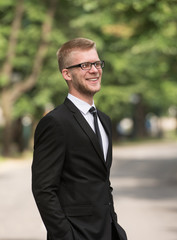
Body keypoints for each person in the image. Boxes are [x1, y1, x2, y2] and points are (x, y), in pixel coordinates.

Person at [32, 37, 127, 240]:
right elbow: (43, 189)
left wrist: (114, 226)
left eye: (97, 63)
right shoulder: (55, 123)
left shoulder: (104, 120)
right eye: (85, 65)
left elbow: (101, 181)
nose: (94, 70)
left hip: (108, 232)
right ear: (67, 73)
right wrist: (65, 236)